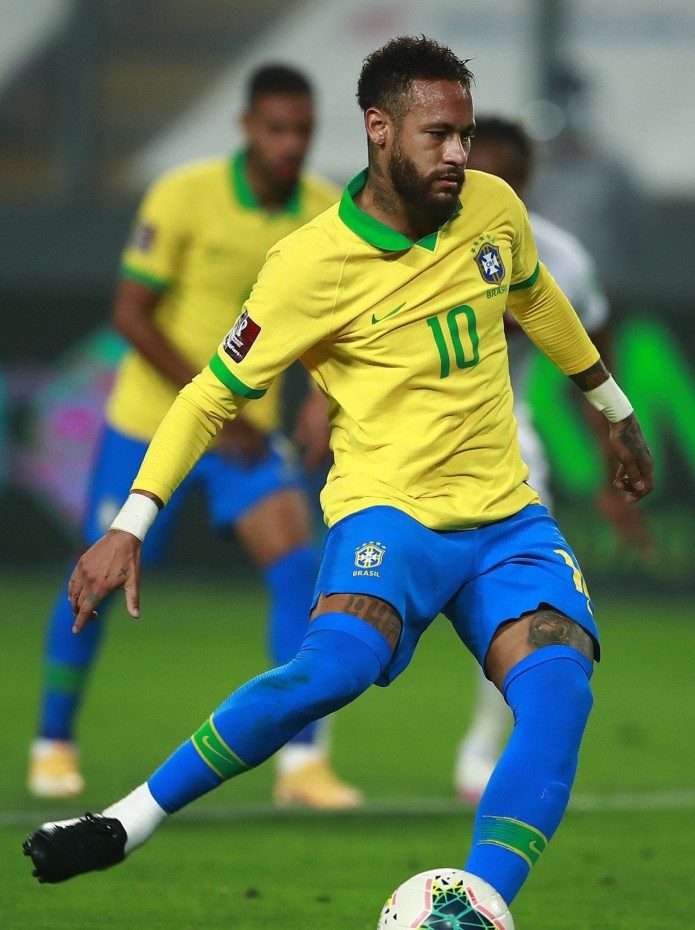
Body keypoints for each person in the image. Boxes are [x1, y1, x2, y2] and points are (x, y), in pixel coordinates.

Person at [24, 37, 653, 923]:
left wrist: (614, 408)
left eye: (466, 134)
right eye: (438, 135)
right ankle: (126, 822)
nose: (458, 154)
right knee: (331, 671)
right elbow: (210, 395)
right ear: (379, 128)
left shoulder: (493, 208)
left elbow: (537, 297)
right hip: (389, 518)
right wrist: (129, 523)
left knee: (560, 689)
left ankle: (476, 905)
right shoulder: (309, 264)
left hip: (507, 519)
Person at [28, 63, 362, 811]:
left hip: (248, 439)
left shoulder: (322, 210)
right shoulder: (183, 194)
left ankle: (303, 762)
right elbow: (131, 314)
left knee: (299, 574)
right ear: (246, 127)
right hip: (153, 427)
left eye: (303, 130)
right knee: (96, 577)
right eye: (276, 128)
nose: (291, 143)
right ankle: (53, 741)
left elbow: (333, 323)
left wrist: (323, 402)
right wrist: (215, 404)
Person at [453, 116, 651, 804]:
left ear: (527, 184)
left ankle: (482, 750)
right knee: (364, 616)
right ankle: (308, 755)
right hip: (398, 442)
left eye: (506, 177)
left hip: (506, 438)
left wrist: (611, 466)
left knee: (517, 603)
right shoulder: (415, 239)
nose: (489, 187)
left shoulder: (558, 259)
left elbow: (593, 360)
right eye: (478, 173)